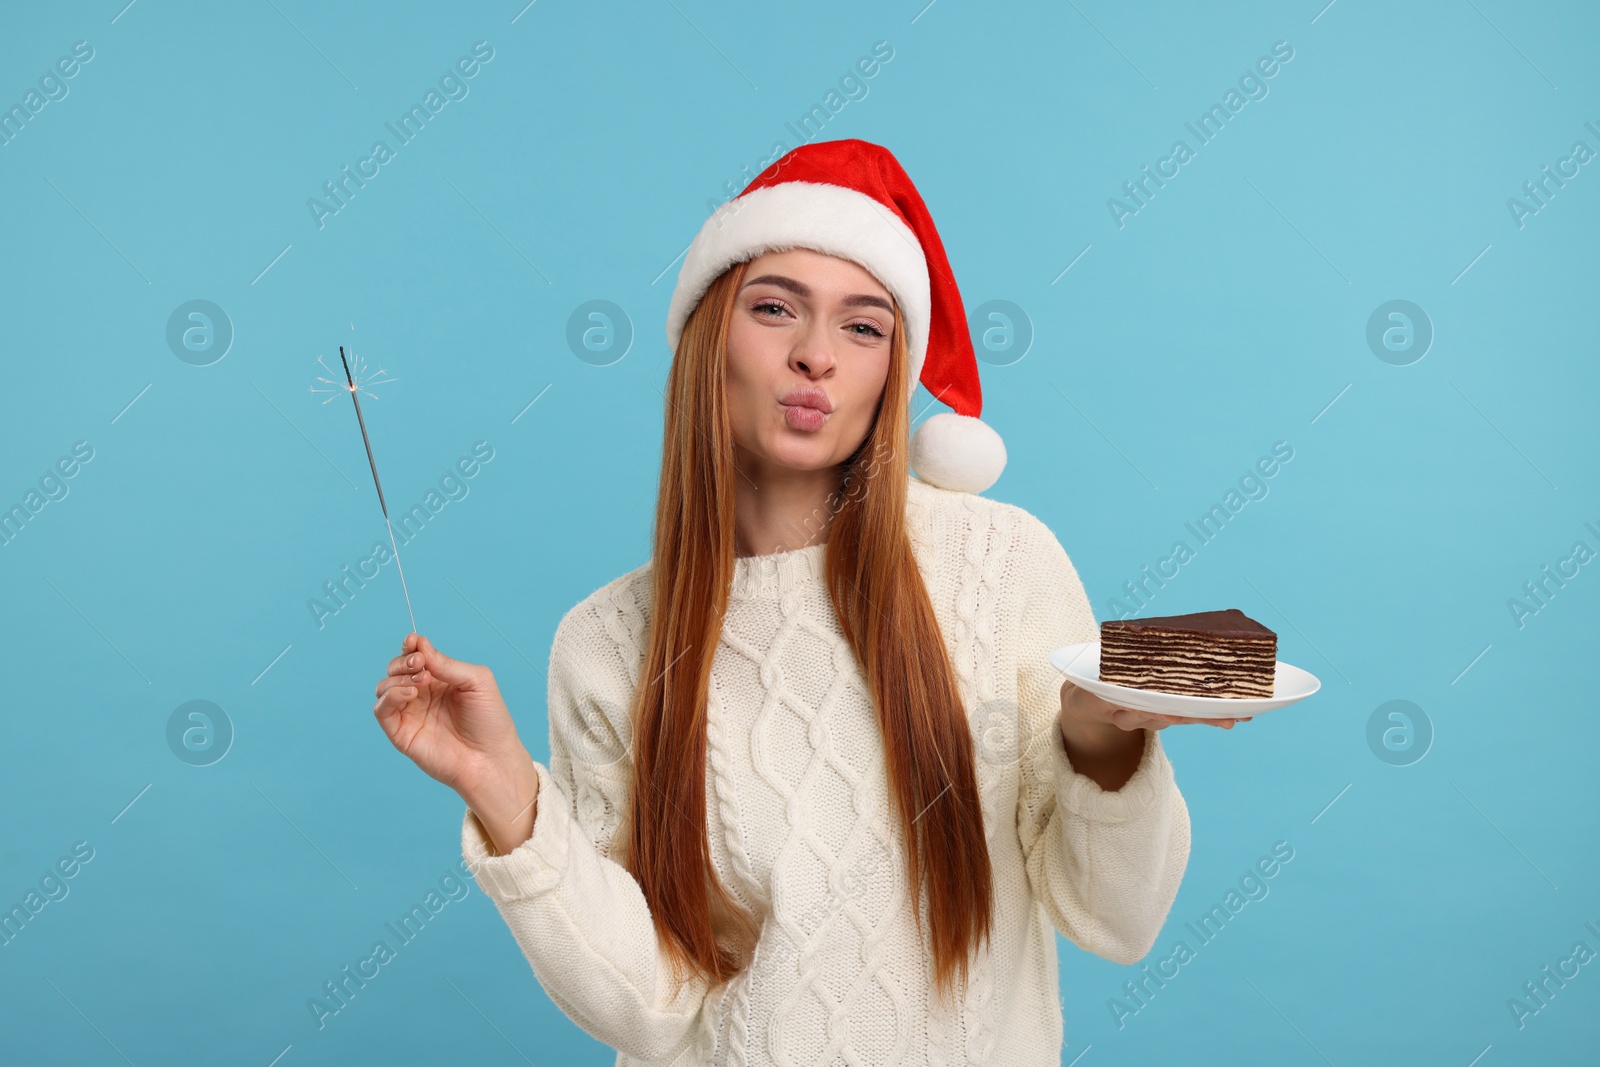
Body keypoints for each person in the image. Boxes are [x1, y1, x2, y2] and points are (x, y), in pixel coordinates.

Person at [371, 139, 1249, 1065]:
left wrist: (1103, 740)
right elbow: (652, 1009)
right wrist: (505, 790)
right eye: (776, 308)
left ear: (889, 374)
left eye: (864, 328)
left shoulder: (1001, 561)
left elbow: (1117, 921)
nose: (816, 355)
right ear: (711, 337)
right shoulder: (604, 641)